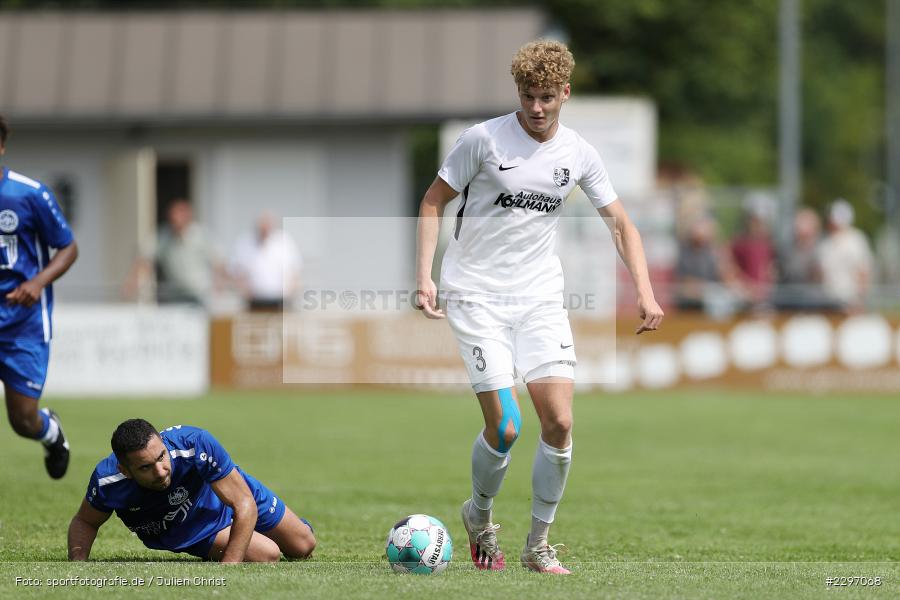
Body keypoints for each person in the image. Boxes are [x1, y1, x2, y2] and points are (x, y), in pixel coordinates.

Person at [414, 40, 663, 575]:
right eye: (528, 96)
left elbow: (620, 223)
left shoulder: (577, 153)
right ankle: (478, 517)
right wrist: (425, 278)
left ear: (565, 94)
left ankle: (537, 545)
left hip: (540, 298)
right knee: (506, 427)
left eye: (547, 97)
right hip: (476, 294)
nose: (536, 108)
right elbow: (433, 200)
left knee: (560, 422)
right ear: (518, 93)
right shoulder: (482, 140)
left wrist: (643, 290)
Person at [67, 419, 316, 562]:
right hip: (192, 527)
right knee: (268, 554)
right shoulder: (107, 481)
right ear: (126, 470)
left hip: (230, 490)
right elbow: (85, 522)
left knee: (304, 546)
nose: (161, 470)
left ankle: (293, 529)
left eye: (161, 456)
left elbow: (243, 503)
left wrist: (228, 569)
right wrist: (77, 568)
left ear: (163, 443)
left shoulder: (195, 444)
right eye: (146, 467)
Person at [0, 114, 78, 479]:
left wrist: (37, 283)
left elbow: (68, 248)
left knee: (22, 420)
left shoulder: (29, 194)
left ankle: (50, 432)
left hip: (23, 324)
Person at [126, 199, 224, 307]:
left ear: (188, 217)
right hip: (175, 296)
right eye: (173, 217)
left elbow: (218, 263)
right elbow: (145, 260)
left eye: (179, 217)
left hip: (200, 295)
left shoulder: (201, 235)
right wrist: (132, 283)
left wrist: (218, 286)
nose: (176, 221)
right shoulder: (163, 236)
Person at [231, 211, 302, 311]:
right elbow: (237, 272)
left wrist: (290, 293)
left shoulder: (284, 241)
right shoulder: (245, 243)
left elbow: (295, 271)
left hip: (281, 301)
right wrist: (245, 291)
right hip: (253, 301)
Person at [817, 199, 873, 312]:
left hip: (850, 301)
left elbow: (863, 271)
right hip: (826, 301)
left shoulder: (856, 240)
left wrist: (860, 300)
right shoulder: (824, 243)